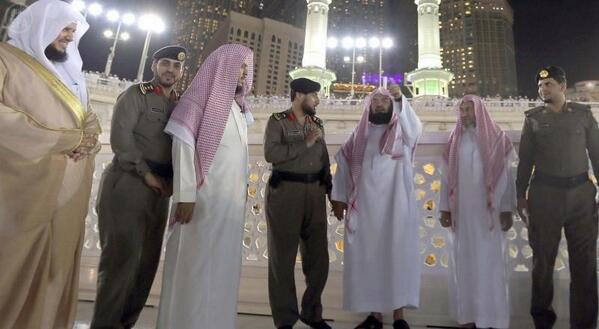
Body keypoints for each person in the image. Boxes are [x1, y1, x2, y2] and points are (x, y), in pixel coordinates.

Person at [0, 1, 101, 328]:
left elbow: (87, 118)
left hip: (67, 197)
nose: (70, 37)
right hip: (20, 197)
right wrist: (63, 139)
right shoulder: (6, 60)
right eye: (65, 28)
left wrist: (89, 136)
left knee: (54, 274)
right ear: (41, 24)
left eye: (74, 30)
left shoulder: (72, 71)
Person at [156, 44, 254, 329]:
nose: (244, 73)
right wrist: (185, 196)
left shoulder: (238, 110)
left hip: (228, 209)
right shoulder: (196, 102)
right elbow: (183, 147)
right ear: (223, 67)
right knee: (194, 271)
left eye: (247, 68)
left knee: (222, 272)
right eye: (239, 66)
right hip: (201, 204)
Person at [91, 45, 186, 329]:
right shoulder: (136, 95)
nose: (171, 69)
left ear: (182, 71)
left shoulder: (180, 104)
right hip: (130, 183)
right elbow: (122, 140)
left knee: (146, 265)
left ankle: (125, 324)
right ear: (154, 65)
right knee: (121, 262)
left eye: (177, 66)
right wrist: (147, 175)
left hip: (160, 191)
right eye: (165, 63)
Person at [331, 86, 422, 329]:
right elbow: (343, 161)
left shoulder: (402, 130)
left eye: (385, 100)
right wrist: (339, 198)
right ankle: (375, 315)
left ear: (392, 105)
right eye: (376, 100)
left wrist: (401, 98)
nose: (380, 104)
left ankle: (399, 316)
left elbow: (416, 129)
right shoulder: (359, 134)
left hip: (396, 207)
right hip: (367, 209)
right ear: (369, 106)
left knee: (396, 257)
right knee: (370, 258)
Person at [517, 66, 599, 329]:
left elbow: (597, 156)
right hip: (544, 197)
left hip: (581, 199)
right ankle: (543, 322)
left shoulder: (584, 116)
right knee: (542, 265)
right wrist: (520, 196)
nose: (544, 90)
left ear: (563, 86)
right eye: (541, 86)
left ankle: (584, 324)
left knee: (585, 266)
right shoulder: (533, 118)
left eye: (549, 84)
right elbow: (525, 161)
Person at [439, 95, 516, 329]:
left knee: (490, 266)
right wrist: (444, 208)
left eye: (469, 109)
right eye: (461, 109)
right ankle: (468, 318)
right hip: (462, 215)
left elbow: (507, 178)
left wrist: (505, 209)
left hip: (488, 217)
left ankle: (492, 319)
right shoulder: (454, 141)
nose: (464, 113)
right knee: (464, 265)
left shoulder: (497, 139)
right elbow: (446, 179)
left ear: (479, 111)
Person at [264, 78, 333, 329]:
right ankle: (285, 319)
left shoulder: (317, 123)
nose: (317, 100)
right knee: (282, 260)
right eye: (314, 95)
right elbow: (272, 154)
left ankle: (312, 312)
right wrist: (304, 143)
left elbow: (323, 158)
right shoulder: (278, 121)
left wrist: (330, 191)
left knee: (319, 260)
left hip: (315, 193)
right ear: (299, 95)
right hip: (286, 194)